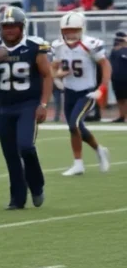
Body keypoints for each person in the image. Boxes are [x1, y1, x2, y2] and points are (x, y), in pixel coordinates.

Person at [0, 7, 53, 210]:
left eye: (13, 26)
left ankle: (36, 186)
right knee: (11, 154)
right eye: (5, 26)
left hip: (28, 105)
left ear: (21, 27)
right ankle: (17, 198)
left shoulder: (34, 47)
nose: (9, 30)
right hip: (4, 107)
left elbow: (47, 75)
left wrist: (43, 104)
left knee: (26, 147)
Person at [50, 12, 111, 176]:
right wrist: (56, 77)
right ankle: (99, 150)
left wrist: (102, 88)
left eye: (74, 30)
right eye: (67, 30)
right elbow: (53, 67)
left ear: (81, 29)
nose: (70, 34)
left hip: (87, 92)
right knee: (75, 127)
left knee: (74, 124)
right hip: (69, 92)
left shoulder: (90, 44)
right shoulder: (58, 45)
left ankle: (78, 164)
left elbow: (106, 66)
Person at [111, 30, 127, 122]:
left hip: (125, 77)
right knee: (120, 98)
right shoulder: (114, 51)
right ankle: (122, 116)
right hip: (117, 78)